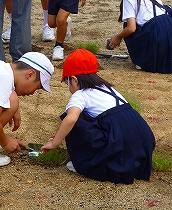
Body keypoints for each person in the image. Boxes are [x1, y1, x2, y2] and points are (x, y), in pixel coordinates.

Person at [41, 49, 155, 184]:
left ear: (74, 80)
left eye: (67, 84)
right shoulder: (107, 88)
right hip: (142, 139)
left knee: (74, 118)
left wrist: (55, 143)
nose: (69, 89)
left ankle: (89, 163)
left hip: (120, 140)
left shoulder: (81, 94)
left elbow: (71, 119)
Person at [109, 0, 172, 73]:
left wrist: (119, 36)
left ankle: (143, 60)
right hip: (169, 28)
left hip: (156, 36)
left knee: (127, 26)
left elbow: (131, 28)